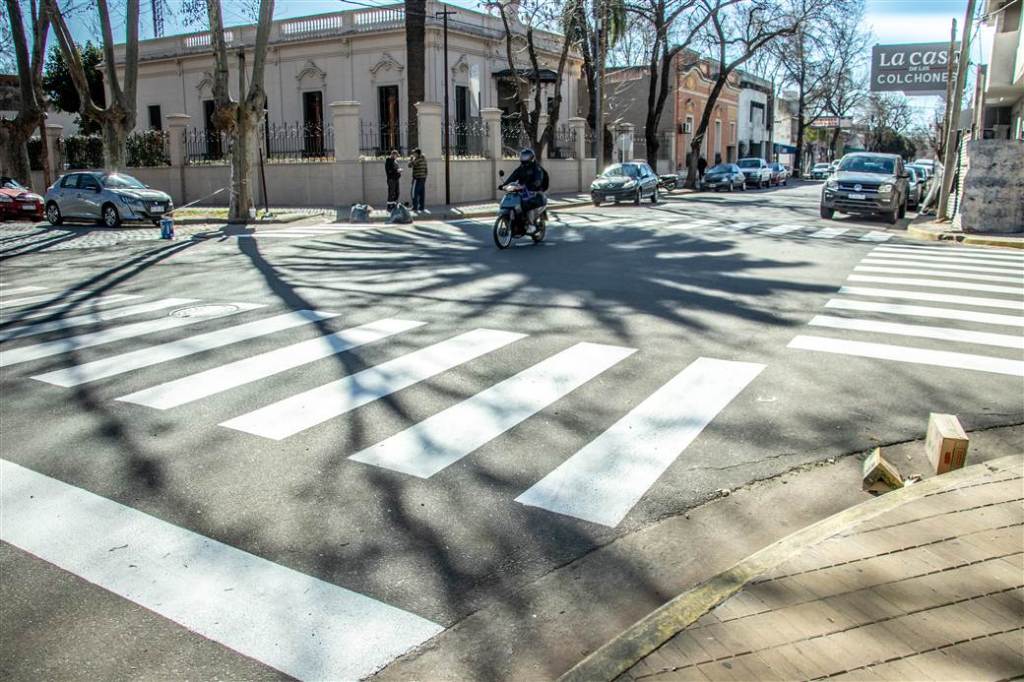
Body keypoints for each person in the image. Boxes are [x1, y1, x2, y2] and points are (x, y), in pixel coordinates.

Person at [499, 148, 548, 219]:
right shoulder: (521, 168)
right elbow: (513, 176)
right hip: (522, 190)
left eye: (526, 156)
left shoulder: (536, 168)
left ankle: (530, 224)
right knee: (516, 201)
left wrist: (531, 186)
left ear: (531, 157)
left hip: (533, 191)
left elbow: (538, 181)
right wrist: (504, 185)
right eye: (523, 156)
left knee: (528, 206)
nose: (524, 158)